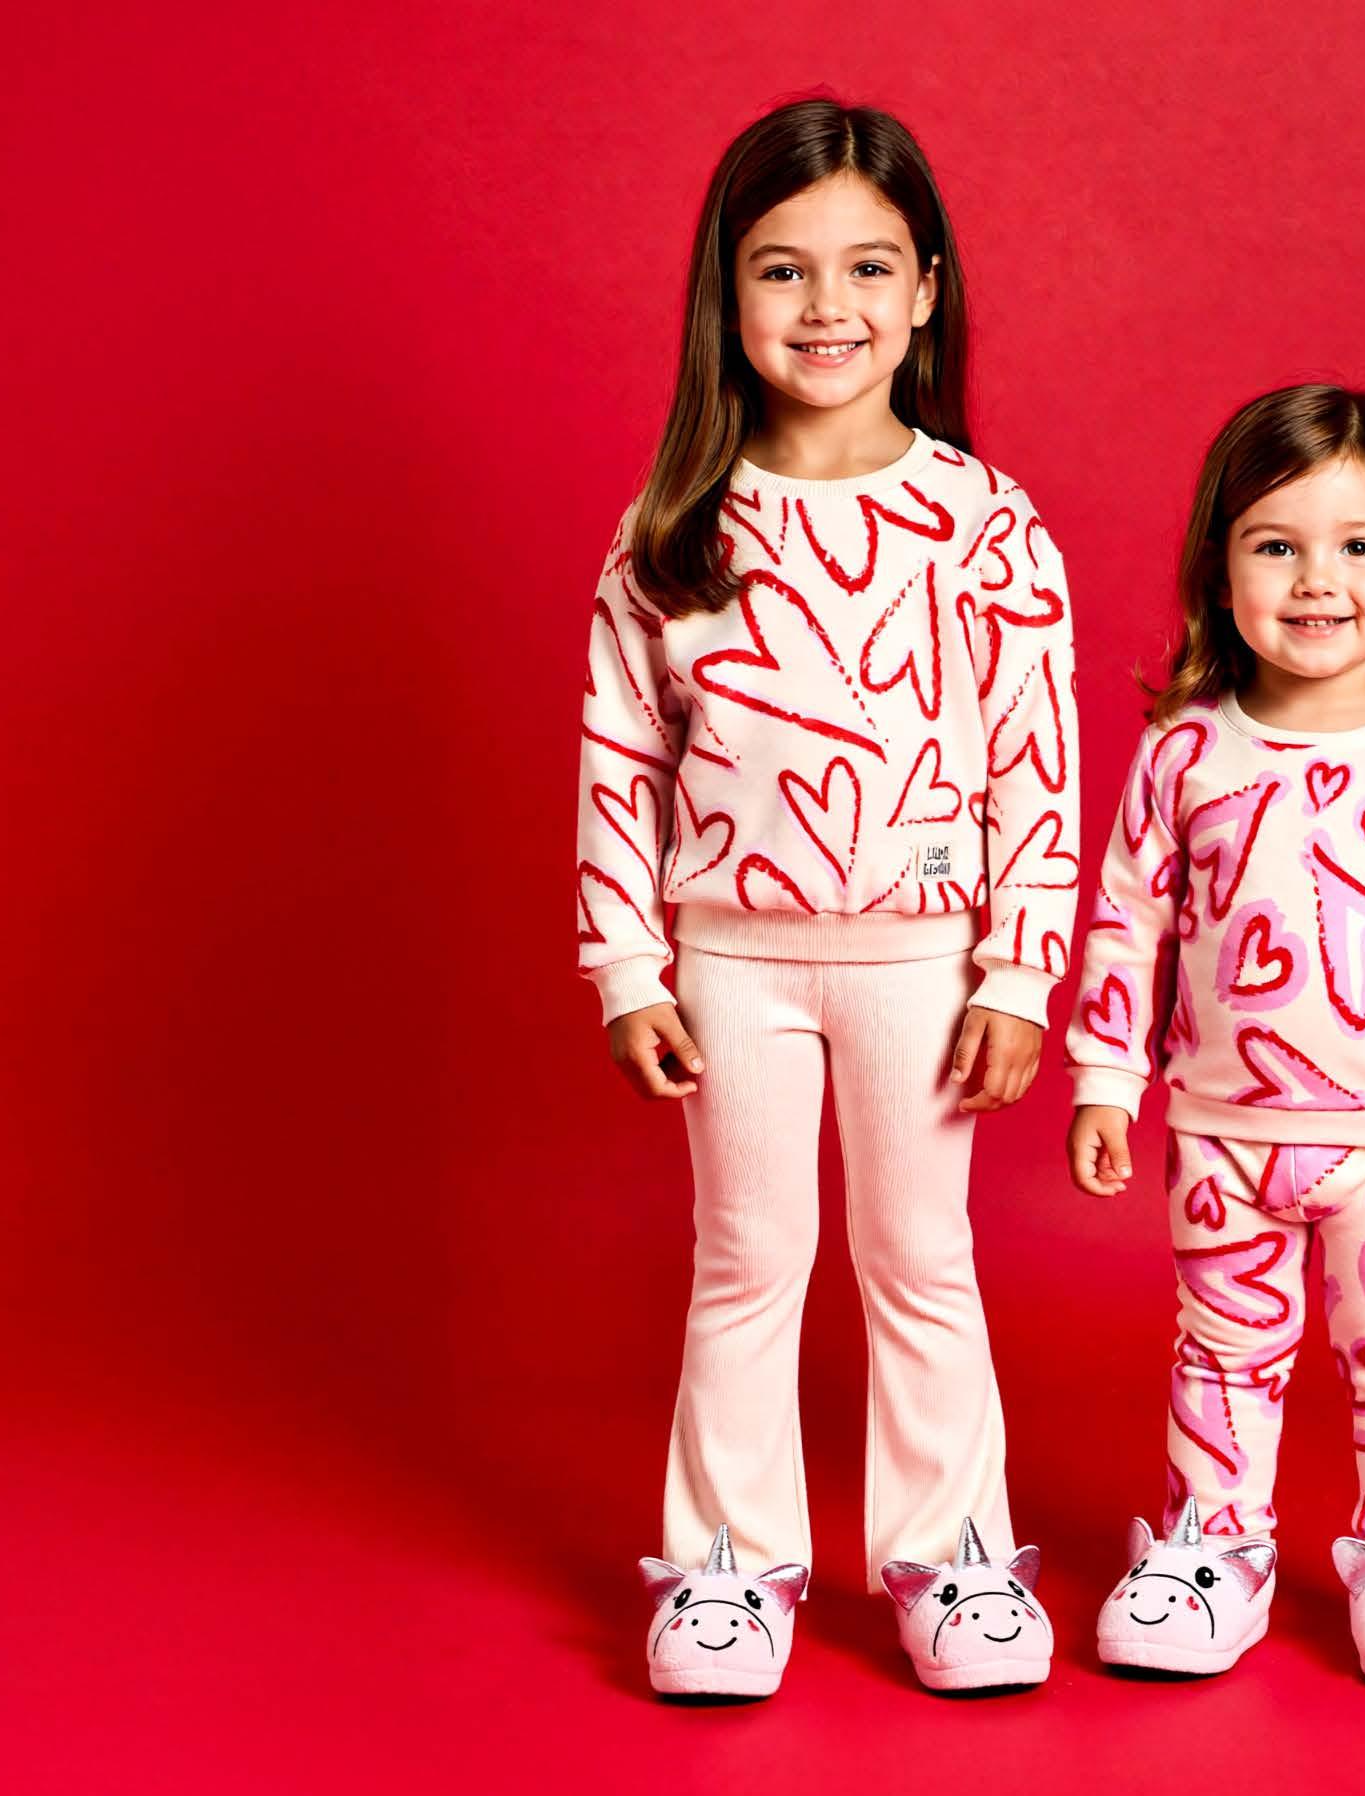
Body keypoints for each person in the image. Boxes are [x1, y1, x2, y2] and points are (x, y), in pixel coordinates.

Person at [575, 98, 1075, 1697]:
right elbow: (618, 755)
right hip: (728, 964)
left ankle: (953, 1560)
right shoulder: (672, 529)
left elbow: (1036, 764)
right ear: (726, 296)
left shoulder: (987, 524)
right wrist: (625, 967)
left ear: (924, 290)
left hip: (922, 965)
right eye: (781, 270)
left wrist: (1018, 976)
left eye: (866, 267)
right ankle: (726, 1572)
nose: (825, 306)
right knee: (745, 1259)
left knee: (920, 1259)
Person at [1066, 384, 1365, 1683]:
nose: (1317, 580)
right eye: (1275, 545)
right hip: (1221, 1136)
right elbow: (1126, 920)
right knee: (1220, 1354)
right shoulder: (1182, 754)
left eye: (1356, 546)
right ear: (1219, 572)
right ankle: (1216, 1548)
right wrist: (1103, 1077)